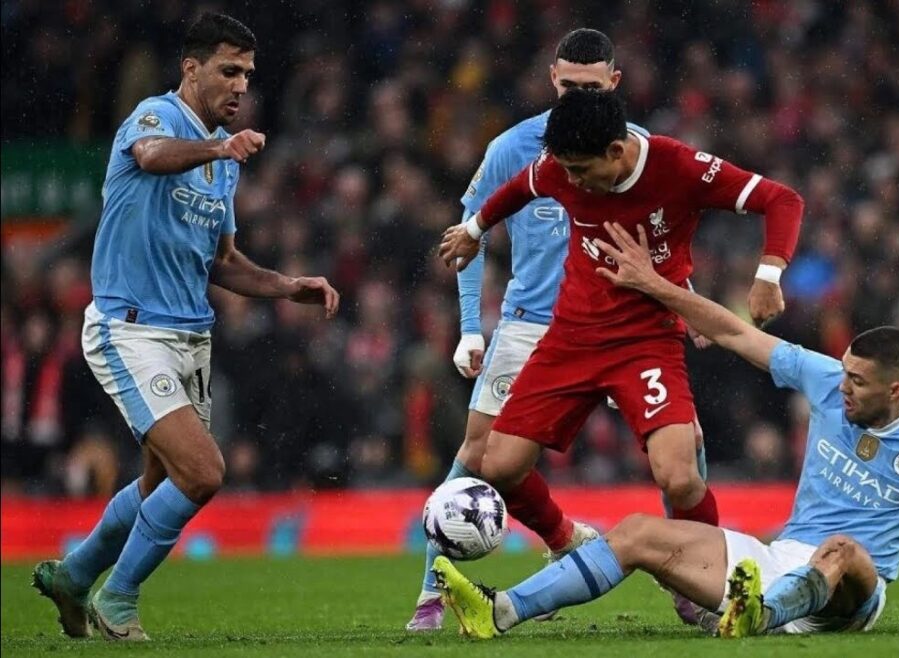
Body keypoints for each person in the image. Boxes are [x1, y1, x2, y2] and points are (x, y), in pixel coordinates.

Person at [431, 221, 899, 639]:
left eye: (856, 383)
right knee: (632, 532)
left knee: (842, 550)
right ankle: (502, 611)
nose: (841, 387)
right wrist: (657, 287)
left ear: (897, 391)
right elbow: (734, 331)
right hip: (774, 563)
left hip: (853, 595)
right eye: (843, 375)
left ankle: (758, 616)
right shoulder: (828, 379)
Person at [31, 13, 340, 641]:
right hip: (130, 329)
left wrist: (287, 285)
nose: (240, 86)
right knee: (203, 473)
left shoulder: (223, 166)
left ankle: (76, 573)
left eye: (248, 75)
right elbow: (150, 156)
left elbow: (223, 263)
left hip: (191, 336)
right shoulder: (155, 119)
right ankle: (118, 601)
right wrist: (220, 146)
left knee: (160, 483)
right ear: (190, 69)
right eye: (229, 70)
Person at [438, 87, 800, 604]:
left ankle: (706, 589)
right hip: (571, 338)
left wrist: (769, 273)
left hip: (646, 341)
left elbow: (781, 199)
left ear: (616, 151)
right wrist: (475, 229)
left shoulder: (677, 166)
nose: (573, 181)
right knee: (497, 468)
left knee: (678, 478)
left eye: (582, 170)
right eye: (566, 170)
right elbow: (522, 186)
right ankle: (567, 539)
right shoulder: (562, 168)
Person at [409, 28, 715, 631]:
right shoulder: (513, 147)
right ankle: (437, 592)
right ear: (553, 80)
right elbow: (472, 233)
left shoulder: (636, 150)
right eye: (568, 86)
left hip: (629, 324)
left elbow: (666, 241)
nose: (577, 96)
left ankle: (691, 583)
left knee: (687, 451)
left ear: (614, 86)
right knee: (478, 453)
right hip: (531, 325)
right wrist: (471, 328)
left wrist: (689, 303)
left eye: (591, 88)